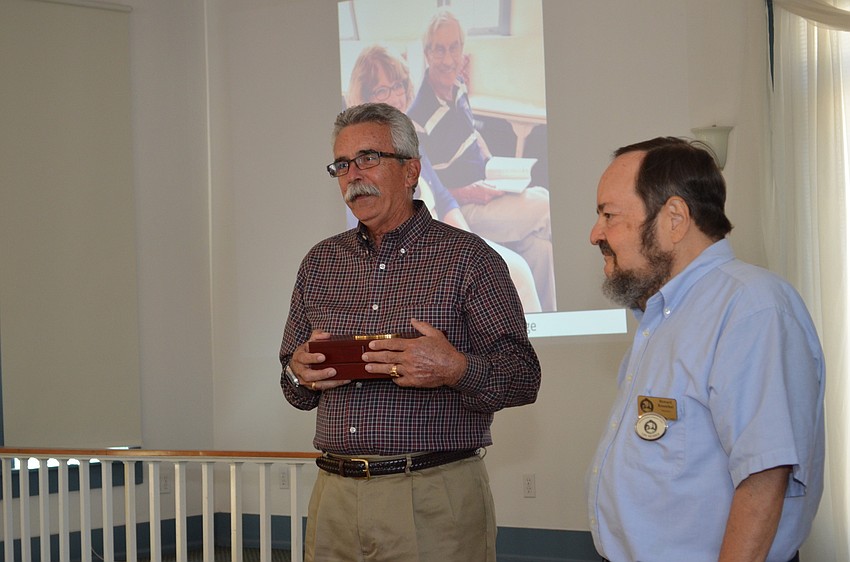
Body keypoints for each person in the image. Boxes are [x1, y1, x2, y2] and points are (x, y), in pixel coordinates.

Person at [279, 102, 541, 562]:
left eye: (368, 159)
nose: (353, 176)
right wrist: (300, 372)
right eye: (342, 165)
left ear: (411, 170)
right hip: (334, 498)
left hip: (433, 499)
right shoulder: (319, 263)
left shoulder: (469, 258)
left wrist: (455, 368)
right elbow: (295, 388)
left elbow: (523, 377)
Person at [586, 137, 825, 562]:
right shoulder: (662, 317)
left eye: (609, 215)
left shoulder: (752, 307)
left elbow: (764, 476)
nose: (595, 234)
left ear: (675, 219)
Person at [346, 44, 542, 311]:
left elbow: (444, 199)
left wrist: (472, 245)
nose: (395, 97)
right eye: (383, 90)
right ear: (366, 98)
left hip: (444, 244)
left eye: (399, 86)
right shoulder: (364, 165)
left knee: (521, 262)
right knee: (515, 273)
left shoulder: (408, 143)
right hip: (419, 262)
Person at [407, 11, 557, 311]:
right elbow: (433, 190)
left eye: (454, 47)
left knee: (541, 250)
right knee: (546, 206)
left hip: (487, 189)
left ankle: (548, 330)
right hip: (465, 207)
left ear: (462, 50)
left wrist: (493, 162)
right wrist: (473, 192)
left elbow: (471, 133)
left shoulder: (459, 88)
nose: (448, 58)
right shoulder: (417, 116)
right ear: (427, 54)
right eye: (439, 48)